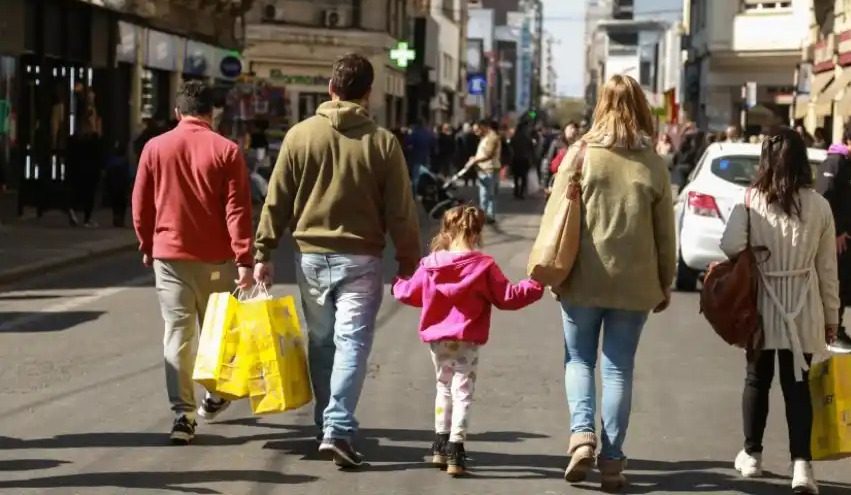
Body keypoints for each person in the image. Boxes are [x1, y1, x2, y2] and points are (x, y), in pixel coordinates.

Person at [253, 53, 421, 466]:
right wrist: (408, 260)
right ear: (368, 94)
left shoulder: (299, 136)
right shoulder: (382, 142)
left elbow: (277, 199)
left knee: (323, 341)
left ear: (331, 88)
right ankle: (338, 428)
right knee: (352, 344)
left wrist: (263, 250)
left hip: (309, 258)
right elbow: (400, 209)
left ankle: (325, 425)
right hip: (361, 261)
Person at [542, 74, 675, 492]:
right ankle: (613, 461)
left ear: (601, 106)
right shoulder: (652, 162)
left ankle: (582, 435)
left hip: (581, 279)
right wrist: (666, 281)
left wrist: (551, 269)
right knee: (619, 370)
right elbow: (665, 234)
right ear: (640, 109)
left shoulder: (580, 155)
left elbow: (555, 218)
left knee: (579, 360)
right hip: (634, 286)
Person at [131, 80, 255, 445]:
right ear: (211, 113)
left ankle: (182, 415)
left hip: (168, 256)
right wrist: (244, 256)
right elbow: (238, 209)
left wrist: (146, 242)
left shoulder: (155, 147)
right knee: (219, 333)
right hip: (218, 257)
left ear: (177, 112)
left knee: (177, 334)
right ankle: (217, 395)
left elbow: (141, 203)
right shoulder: (227, 150)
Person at [720, 127, 840, 494]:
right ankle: (802, 465)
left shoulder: (751, 200)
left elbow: (729, 245)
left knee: (757, 379)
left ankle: (752, 455)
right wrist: (832, 317)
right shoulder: (820, 205)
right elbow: (827, 270)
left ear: (766, 160)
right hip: (803, 307)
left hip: (762, 305)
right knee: (797, 387)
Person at [392, 205, 543, 476]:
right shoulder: (484, 266)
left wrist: (397, 283)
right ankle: (456, 449)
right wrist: (535, 285)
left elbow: (411, 294)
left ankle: (439, 445)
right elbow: (507, 297)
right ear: (476, 234)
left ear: (447, 231)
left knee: (443, 387)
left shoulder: (430, 265)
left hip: (438, 340)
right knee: (463, 391)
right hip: (468, 339)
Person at [814, 116, 851, 354]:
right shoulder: (835, 163)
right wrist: (836, 232)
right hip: (836, 238)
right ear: (850, 140)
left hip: (848, 236)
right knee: (834, 286)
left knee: (843, 286)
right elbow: (825, 200)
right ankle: (830, 333)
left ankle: (835, 329)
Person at [65, 116, 103, 227]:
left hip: (77, 170)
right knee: (89, 195)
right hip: (90, 171)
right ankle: (87, 218)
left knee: (77, 193)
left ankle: (72, 210)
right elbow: (98, 155)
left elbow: (70, 157)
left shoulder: (73, 140)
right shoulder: (93, 139)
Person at [465, 119, 502, 224]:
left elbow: (488, 154)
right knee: (485, 195)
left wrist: (474, 160)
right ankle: (484, 215)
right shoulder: (485, 138)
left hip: (489, 169)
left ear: (483, 127)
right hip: (484, 170)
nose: (476, 133)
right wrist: (474, 158)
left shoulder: (492, 138)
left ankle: (488, 216)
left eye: (477, 130)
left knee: (489, 195)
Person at [541, 122, 580, 193]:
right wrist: (545, 184)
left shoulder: (578, 146)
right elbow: (548, 162)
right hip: (556, 181)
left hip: (571, 184)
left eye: (575, 129)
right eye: (570, 128)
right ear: (564, 129)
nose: (573, 131)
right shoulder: (556, 143)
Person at [105, 141, 131, 227]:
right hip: (122, 186)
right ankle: (121, 218)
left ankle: (116, 216)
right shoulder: (124, 162)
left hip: (113, 185)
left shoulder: (111, 161)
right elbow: (127, 175)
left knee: (115, 203)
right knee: (122, 203)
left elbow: (107, 175)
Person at [509, 120, 536, 199]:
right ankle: (521, 193)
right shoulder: (527, 138)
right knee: (524, 177)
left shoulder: (514, 137)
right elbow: (531, 149)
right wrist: (533, 159)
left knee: (516, 177)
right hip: (524, 159)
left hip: (516, 159)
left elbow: (511, 147)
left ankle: (516, 192)